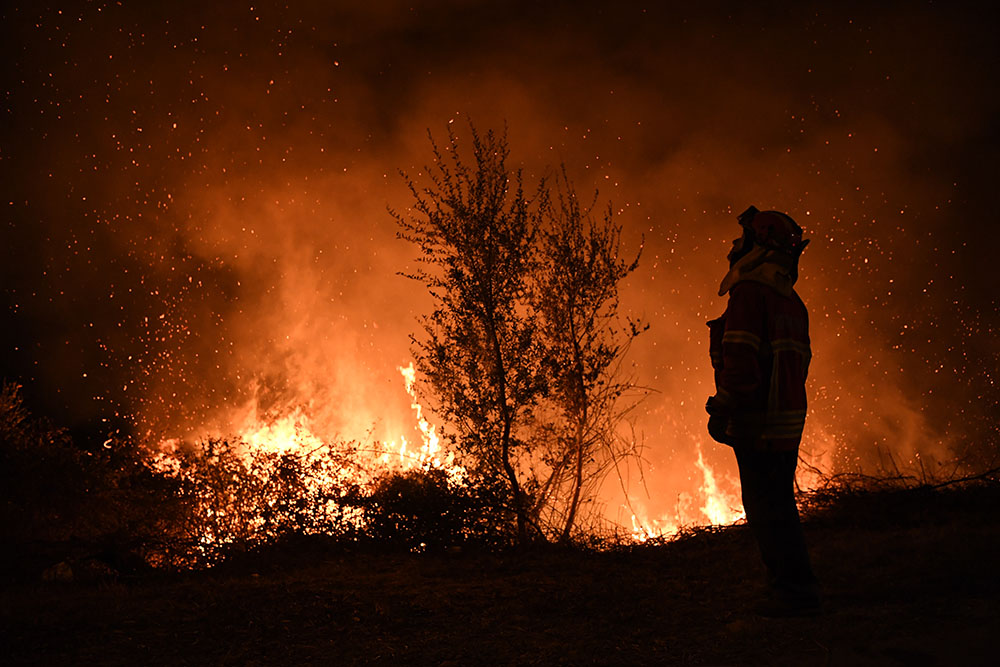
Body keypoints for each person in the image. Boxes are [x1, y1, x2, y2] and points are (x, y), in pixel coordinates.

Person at [705, 205, 820, 617]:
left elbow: (740, 356)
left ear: (759, 244)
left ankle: (791, 593)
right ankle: (795, 586)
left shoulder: (750, 294)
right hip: (786, 423)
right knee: (780, 506)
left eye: (743, 239)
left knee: (766, 511)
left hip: (759, 424)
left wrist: (725, 406)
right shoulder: (791, 302)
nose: (734, 247)